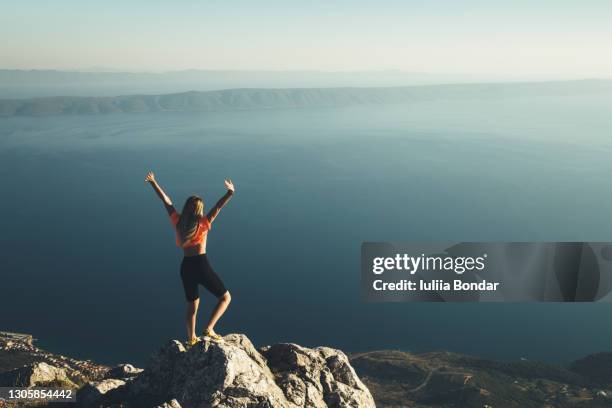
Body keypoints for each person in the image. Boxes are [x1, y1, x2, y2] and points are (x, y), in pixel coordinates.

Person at [145, 171, 234, 346]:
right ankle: (209, 328)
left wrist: (153, 183)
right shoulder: (204, 223)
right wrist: (230, 192)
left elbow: (167, 201)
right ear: (200, 210)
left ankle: (191, 339)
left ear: (186, 207)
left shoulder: (178, 221)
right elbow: (218, 207)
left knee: (192, 306)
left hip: (186, 267)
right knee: (225, 298)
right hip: (201, 265)